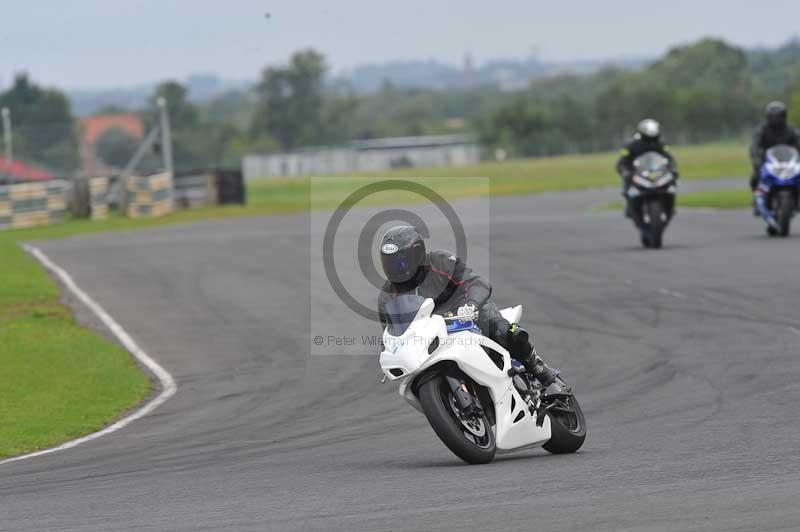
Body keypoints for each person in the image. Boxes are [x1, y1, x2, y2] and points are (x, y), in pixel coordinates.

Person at [377, 225, 557, 386]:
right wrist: (390, 353)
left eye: (401, 262)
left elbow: (476, 282)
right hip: (431, 335)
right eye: (390, 263)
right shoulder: (387, 296)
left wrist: (471, 305)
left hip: (466, 312)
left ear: (417, 254)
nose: (396, 269)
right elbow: (391, 333)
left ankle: (535, 365)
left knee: (505, 331)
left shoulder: (440, 261)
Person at [616, 119, 678, 216]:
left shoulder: (660, 144)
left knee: (672, 178)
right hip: (637, 172)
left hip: (657, 171)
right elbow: (622, 162)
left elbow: (669, 158)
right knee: (628, 181)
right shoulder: (632, 145)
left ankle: (670, 205)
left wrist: (672, 168)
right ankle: (630, 204)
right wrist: (626, 172)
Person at [749, 102, 800, 210]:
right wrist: (757, 157)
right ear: (768, 117)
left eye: (779, 116)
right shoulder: (762, 130)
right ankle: (758, 198)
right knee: (756, 176)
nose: (776, 119)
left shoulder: (791, 130)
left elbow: (798, 142)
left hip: (788, 161)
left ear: (784, 116)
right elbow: (755, 145)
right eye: (773, 117)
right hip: (768, 161)